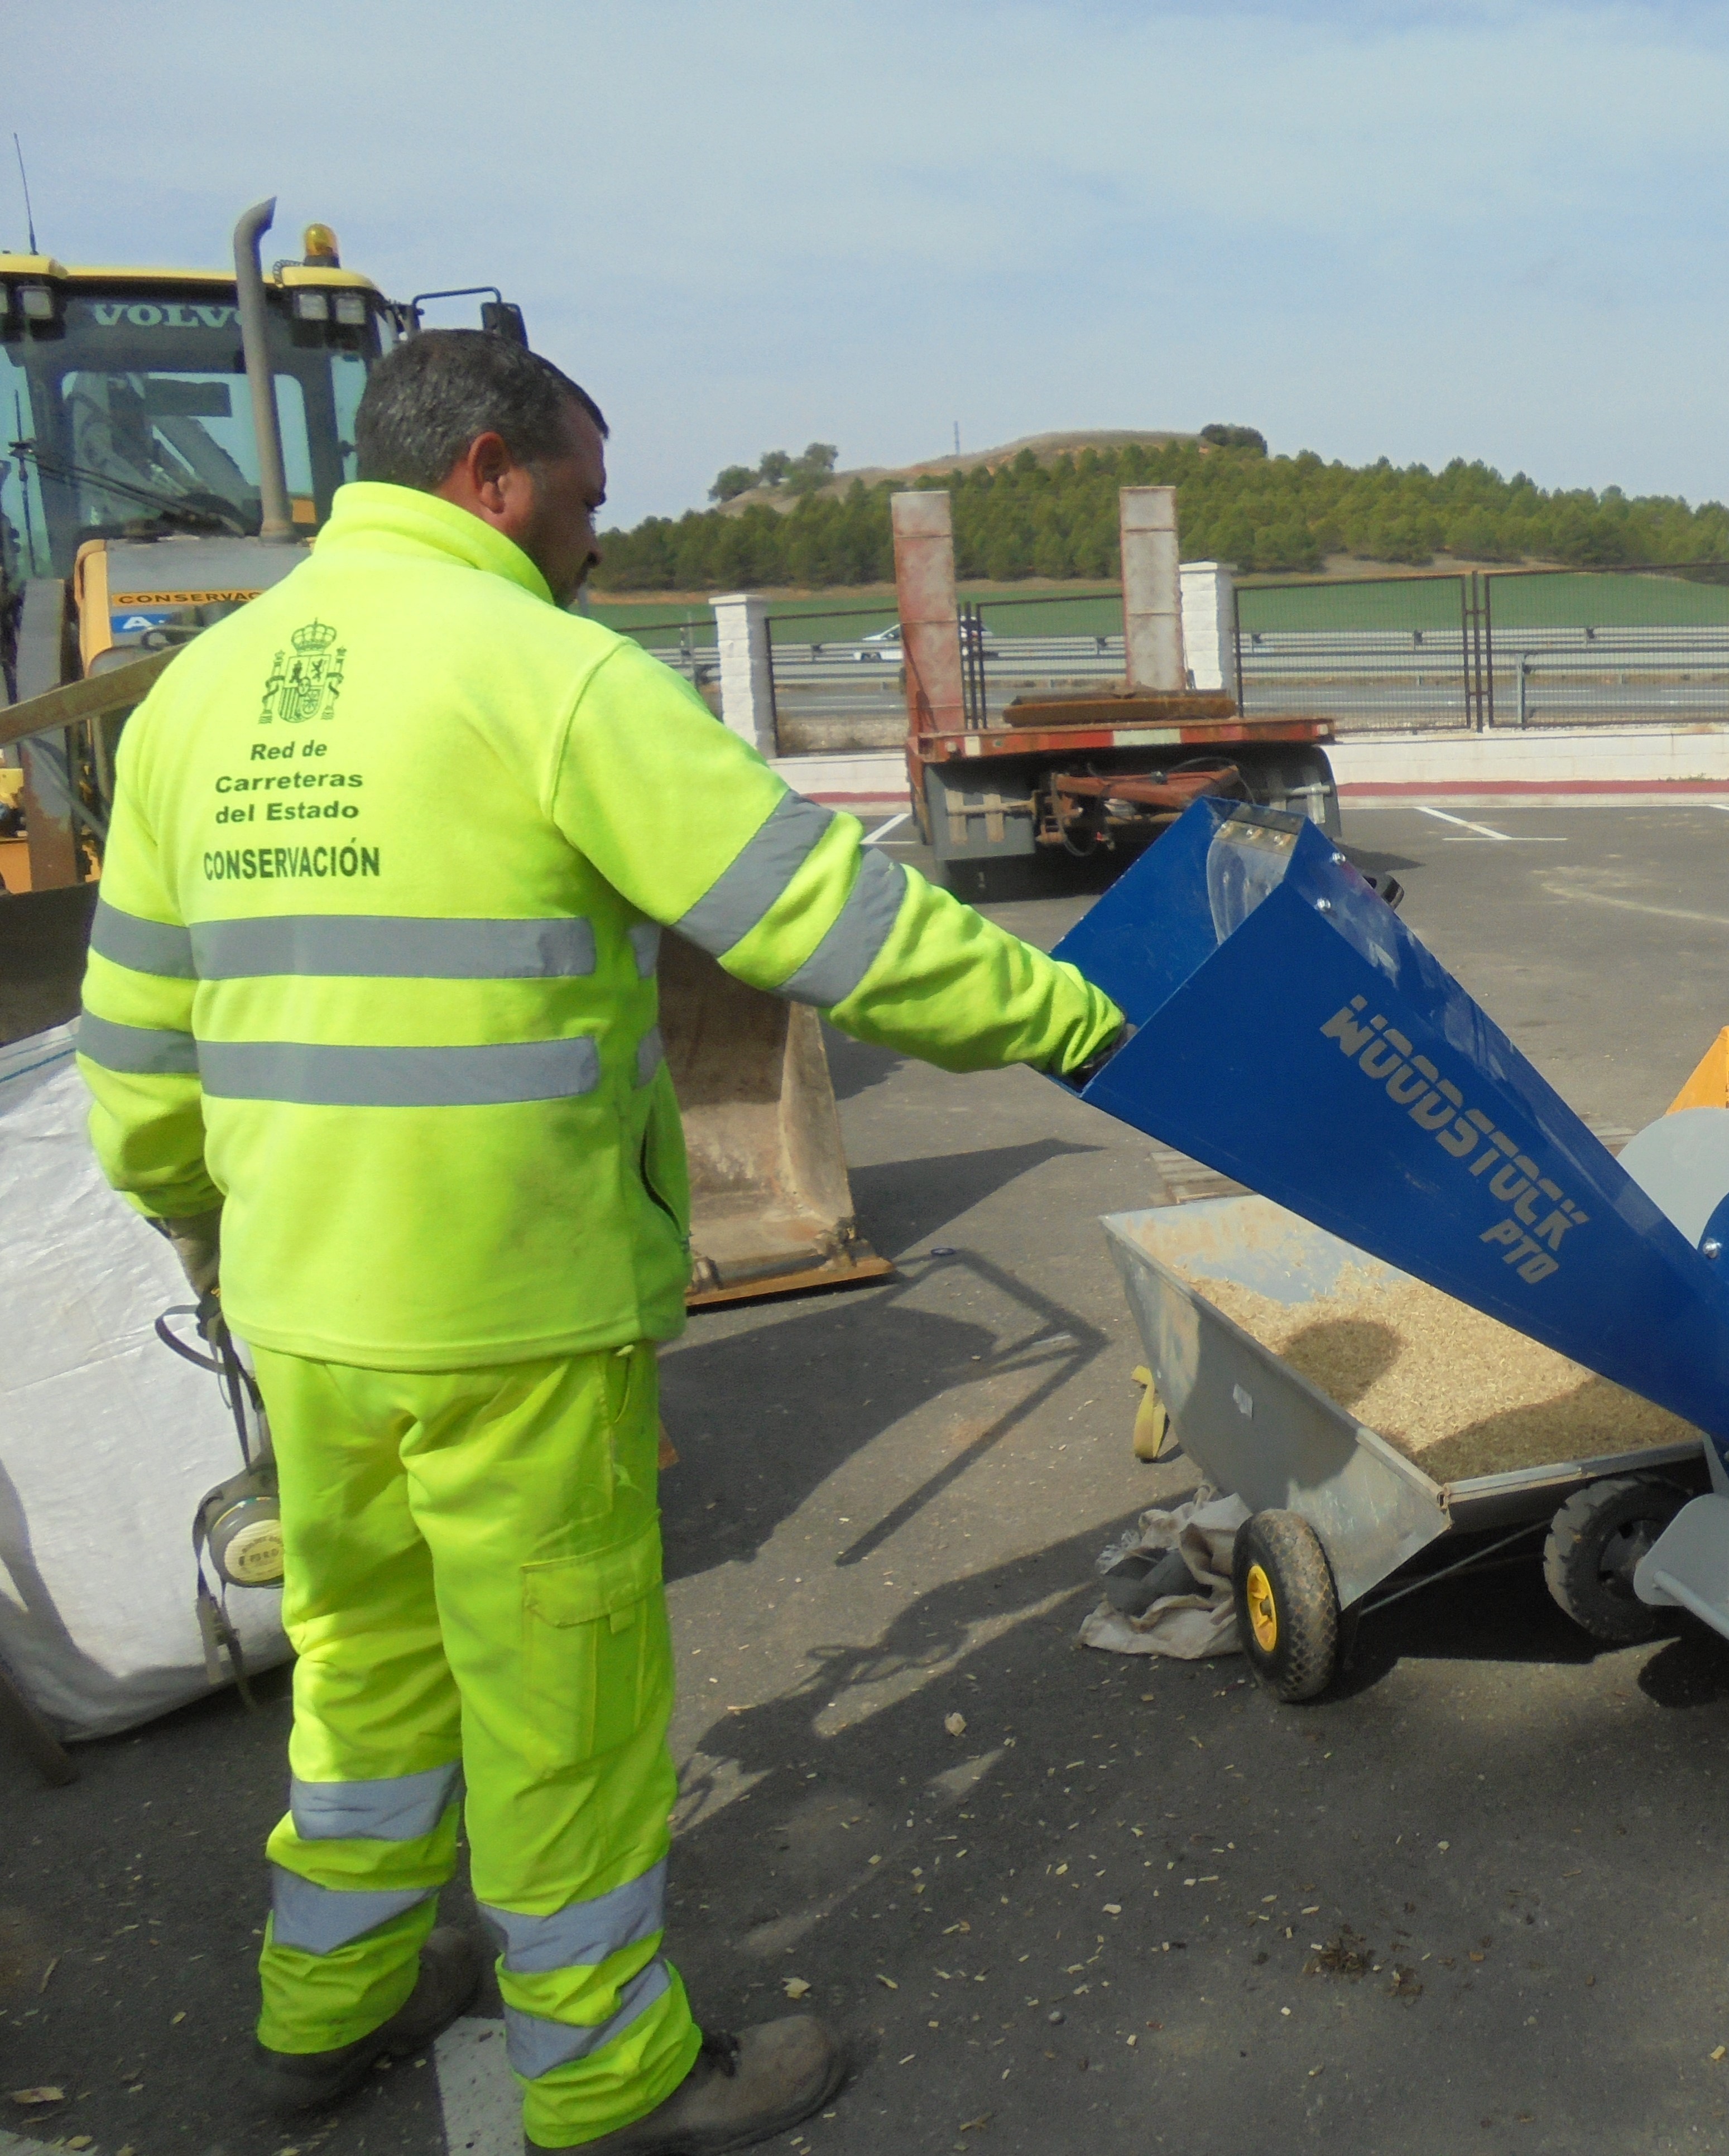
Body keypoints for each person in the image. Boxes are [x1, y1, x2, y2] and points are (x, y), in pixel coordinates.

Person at [74, 330, 1127, 2154]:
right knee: (558, 1698)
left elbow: (137, 1042)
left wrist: (191, 1209)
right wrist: (1079, 1019)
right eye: (582, 498)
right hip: (506, 1305)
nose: (595, 541)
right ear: (492, 472)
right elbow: (824, 918)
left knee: (361, 1663)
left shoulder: (193, 698)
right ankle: (610, 2074)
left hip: (302, 1305)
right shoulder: (549, 678)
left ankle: (317, 2010)